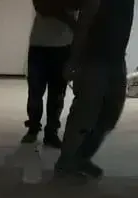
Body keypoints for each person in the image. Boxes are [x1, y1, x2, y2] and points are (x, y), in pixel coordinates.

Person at [55, 0, 135, 178]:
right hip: (93, 60)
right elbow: (83, 26)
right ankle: (66, 161)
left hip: (116, 61)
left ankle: (82, 157)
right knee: (85, 113)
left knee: (110, 114)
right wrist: (73, 60)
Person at [22, 0, 79, 148]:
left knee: (57, 94)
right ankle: (33, 128)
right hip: (39, 46)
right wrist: (66, 16)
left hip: (64, 46)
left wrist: (57, 8)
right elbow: (42, 7)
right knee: (35, 91)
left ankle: (51, 132)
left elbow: (77, 5)